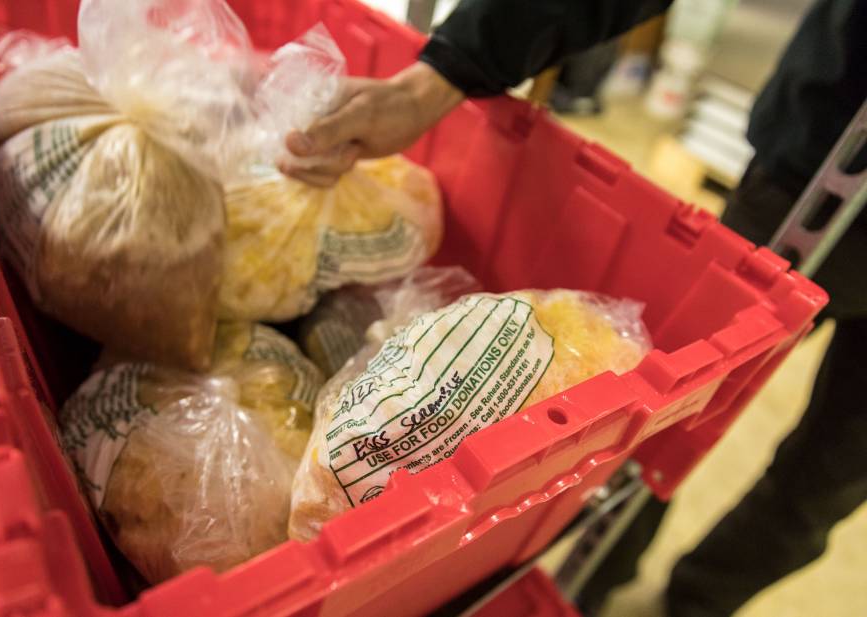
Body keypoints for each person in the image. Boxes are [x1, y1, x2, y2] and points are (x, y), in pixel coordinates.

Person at [280, 1, 867, 616]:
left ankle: (697, 602)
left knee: (827, 479)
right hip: (824, 166)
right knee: (670, 435)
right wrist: (448, 69)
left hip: (819, 167)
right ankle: (597, 579)